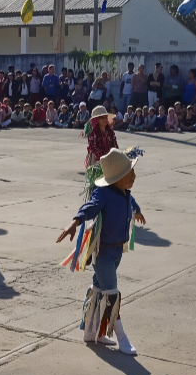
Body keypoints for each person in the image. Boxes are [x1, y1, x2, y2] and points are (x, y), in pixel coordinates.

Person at [56, 148, 144, 353]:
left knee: (98, 288)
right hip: (102, 253)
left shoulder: (125, 192)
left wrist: (138, 211)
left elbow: (131, 202)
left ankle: (90, 331)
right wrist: (75, 222)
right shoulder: (103, 194)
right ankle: (122, 338)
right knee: (112, 293)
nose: (134, 176)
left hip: (117, 251)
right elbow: (90, 206)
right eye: (130, 173)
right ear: (118, 177)